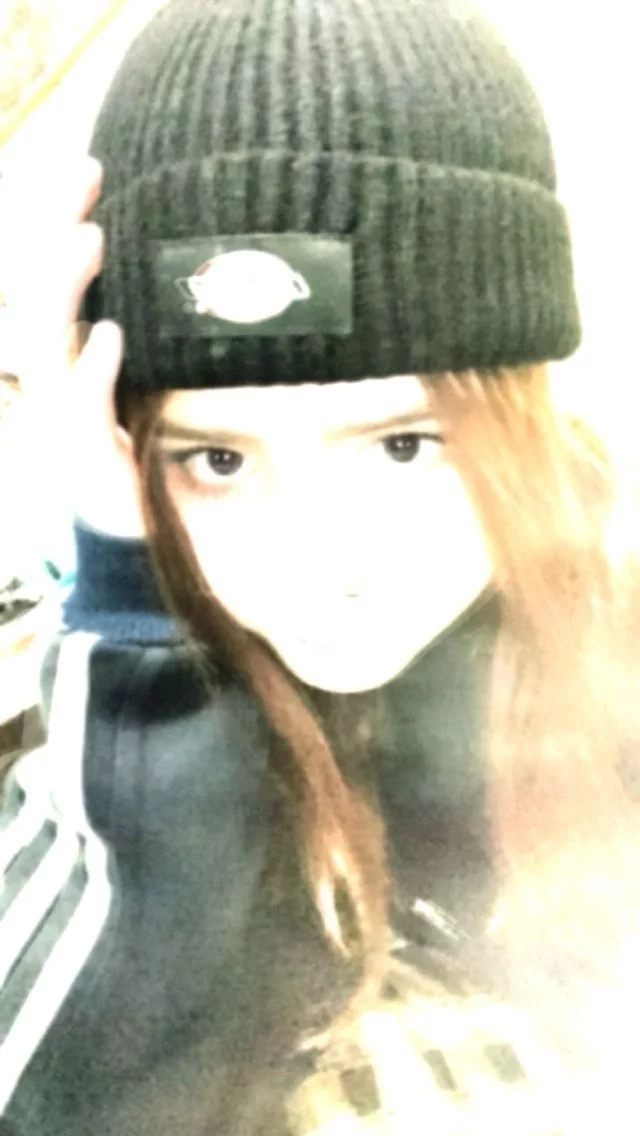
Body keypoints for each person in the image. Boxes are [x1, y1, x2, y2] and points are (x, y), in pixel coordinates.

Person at [2, 0, 640, 1131]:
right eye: (215, 457)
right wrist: (135, 617)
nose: (317, 562)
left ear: (521, 420)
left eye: (404, 444)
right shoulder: (76, 723)